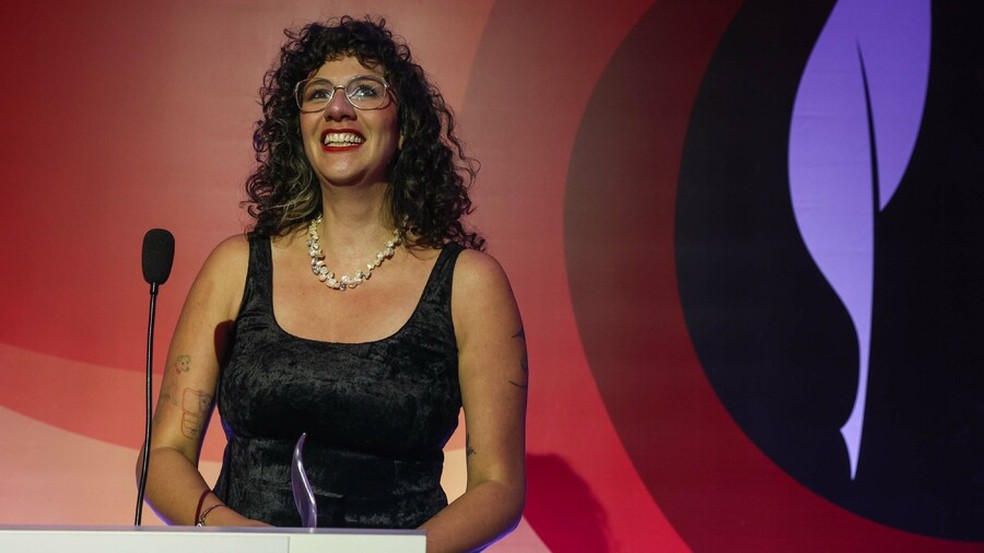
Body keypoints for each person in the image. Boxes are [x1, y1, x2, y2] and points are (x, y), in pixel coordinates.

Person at [138, 16, 527, 552]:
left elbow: (498, 487)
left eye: (365, 91)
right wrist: (230, 532)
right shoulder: (235, 267)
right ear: (297, 126)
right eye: (318, 93)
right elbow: (164, 457)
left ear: (406, 124)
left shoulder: (469, 285)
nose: (337, 108)